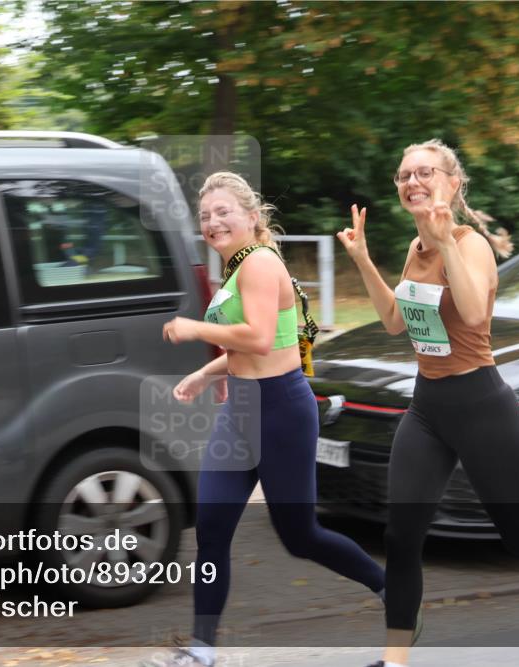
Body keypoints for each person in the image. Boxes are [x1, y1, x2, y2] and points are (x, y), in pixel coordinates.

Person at [336, 139, 519, 667]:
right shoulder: (414, 249)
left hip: (481, 407)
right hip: (426, 408)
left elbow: (472, 316)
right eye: (403, 175)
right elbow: (394, 322)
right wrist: (361, 260)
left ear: (451, 182)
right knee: (401, 535)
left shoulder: (470, 246)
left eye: (424, 172)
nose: (411, 182)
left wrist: (447, 240)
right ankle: (394, 660)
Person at [151, 172, 388, 667]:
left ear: (253, 217)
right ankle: (201, 650)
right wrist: (205, 372)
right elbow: (272, 342)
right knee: (212, 526)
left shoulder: (258, 263)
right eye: (205, 216)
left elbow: (257, 338)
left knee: (300, 537)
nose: (212, 222)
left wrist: (195, 329)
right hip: (241, 409)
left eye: (223, 212)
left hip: (279, 411)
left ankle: (390, 587)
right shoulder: (238, 268)